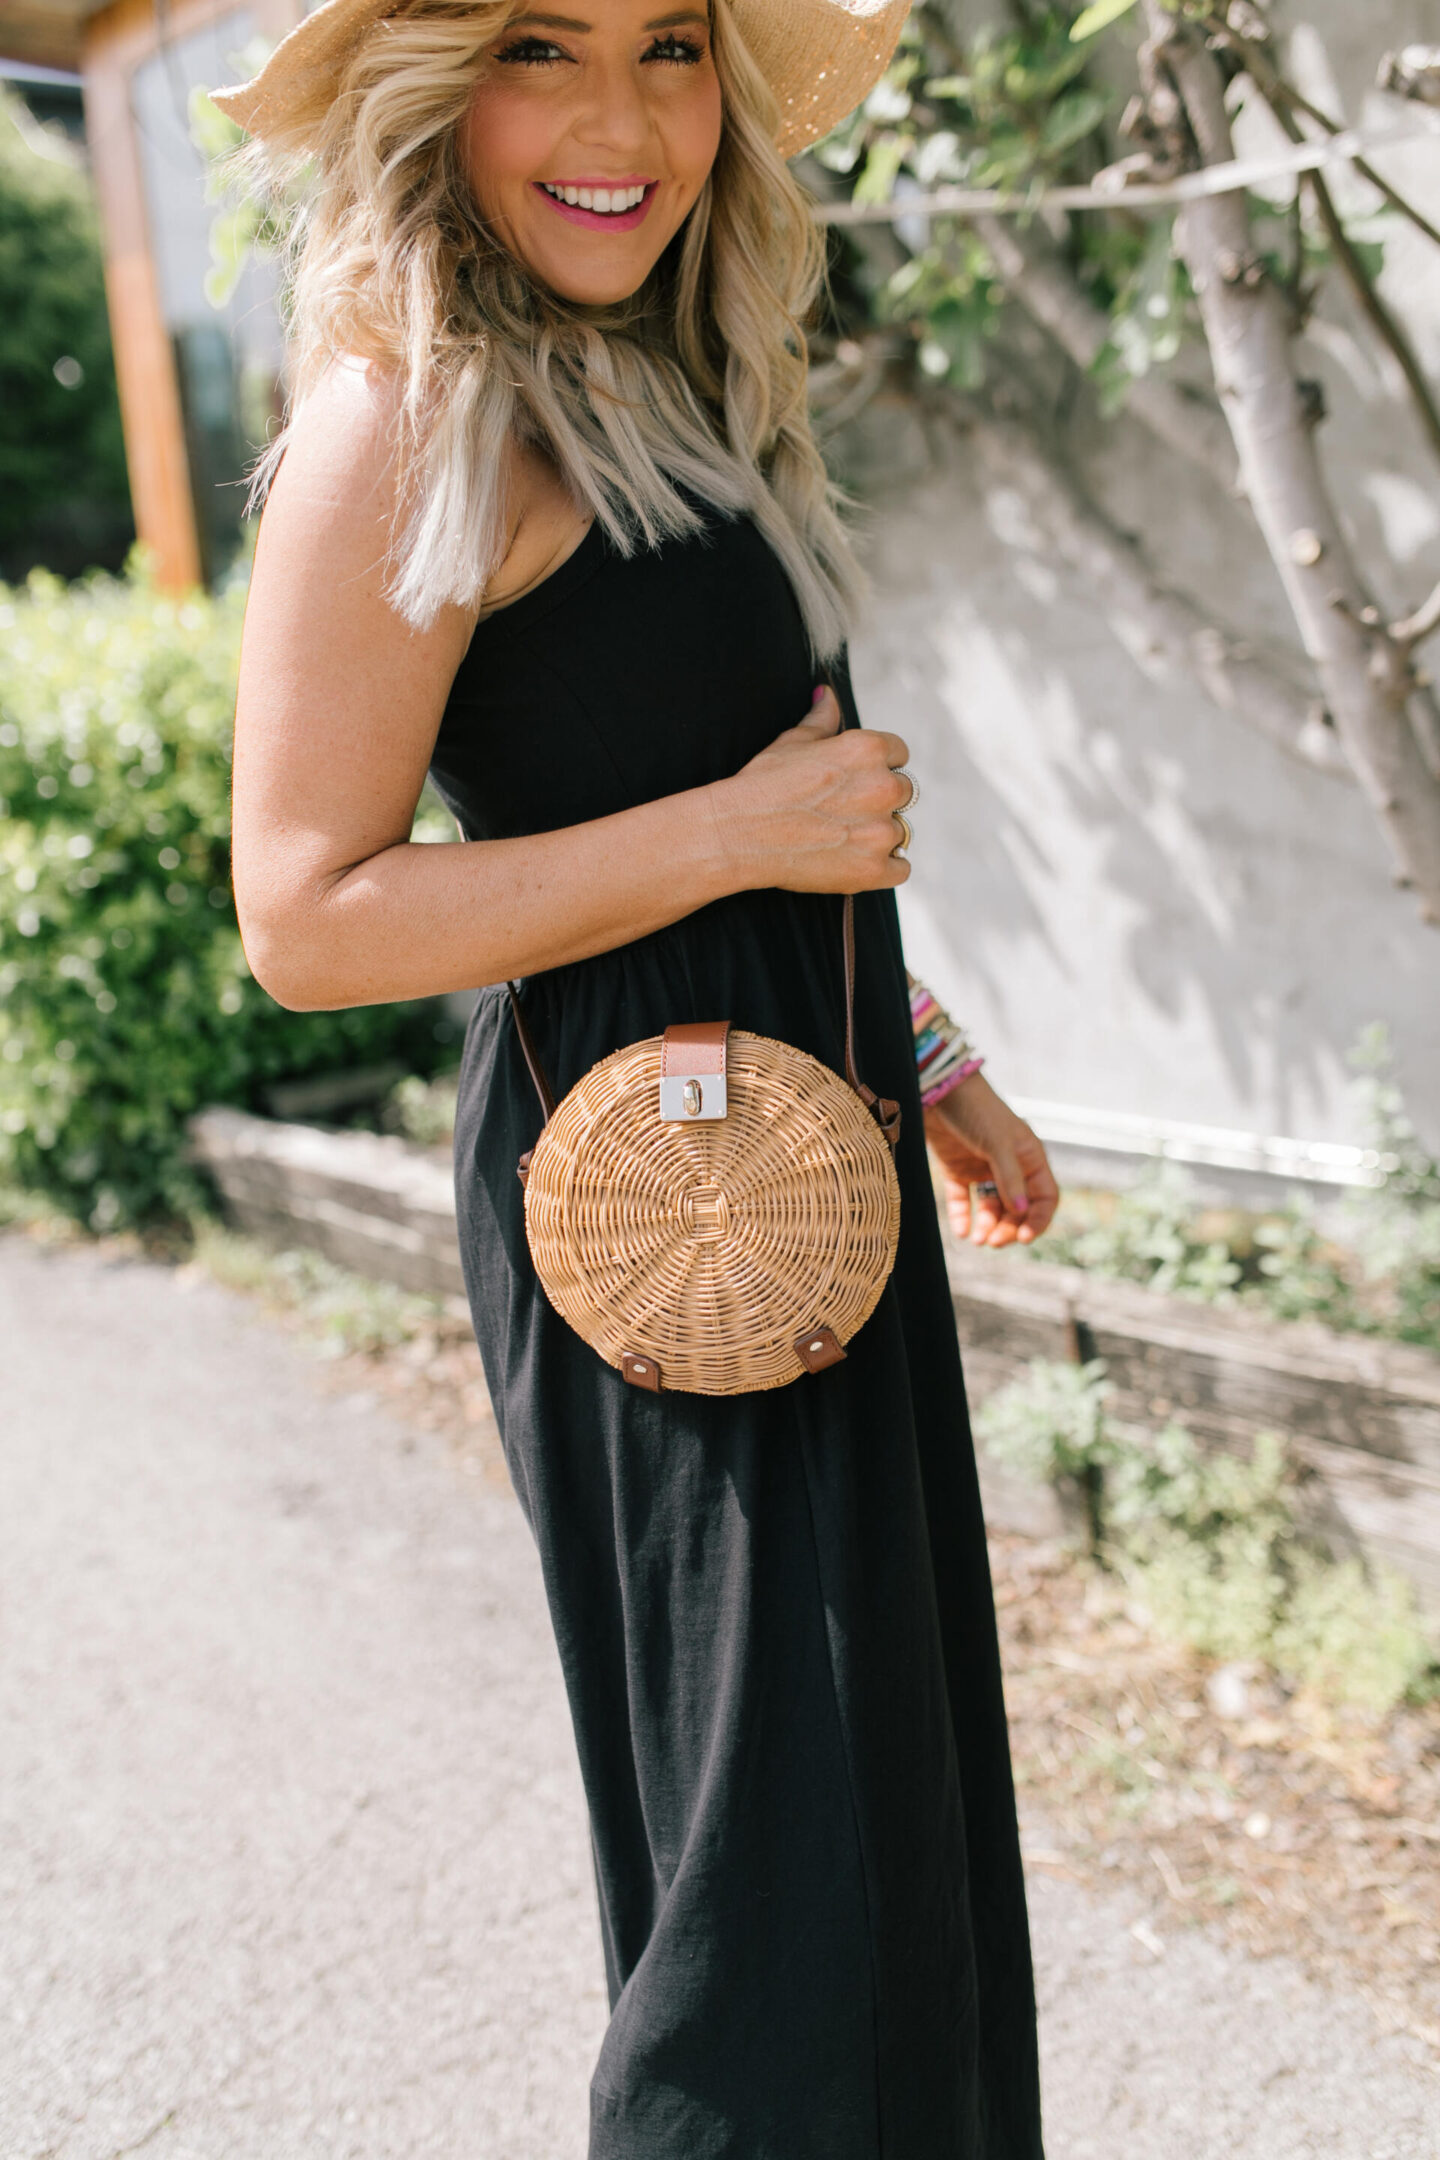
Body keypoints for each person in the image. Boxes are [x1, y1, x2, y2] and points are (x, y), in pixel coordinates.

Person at [219, 2, 1058, 2152]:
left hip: (815, 1164)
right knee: (765, 1916)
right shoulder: (400, 426)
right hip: (652, 1219)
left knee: (887, 1843)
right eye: (537, 46)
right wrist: (737, 844)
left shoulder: (673, 387)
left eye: (673, 47)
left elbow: (763, 812)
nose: (621, 122)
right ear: (431, 96)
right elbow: (305, 916)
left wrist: (927, 1048)